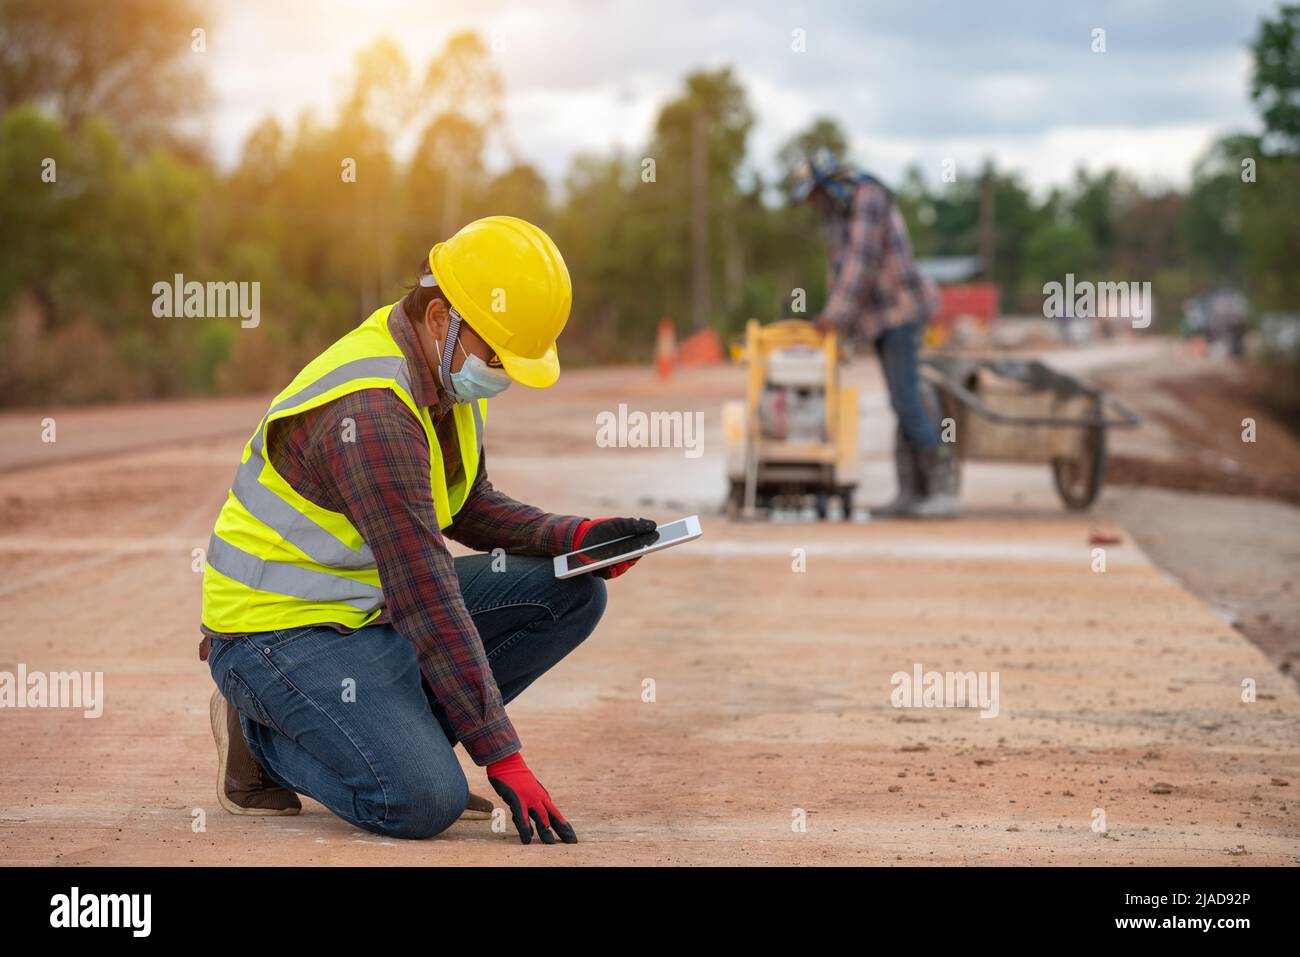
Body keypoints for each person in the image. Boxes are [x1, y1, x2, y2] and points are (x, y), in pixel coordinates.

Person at [199, 215, 655, 845]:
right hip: (277, 633)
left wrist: (573, 537)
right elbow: (424, 591)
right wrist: (502, 755)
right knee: (419, 800)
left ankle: (387, 739)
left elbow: (465, 505)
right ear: (442, 317)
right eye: (498, 355)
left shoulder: (446, 372)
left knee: (571, 592)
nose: (501, 373)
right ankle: (261, 740)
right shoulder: (372, 410)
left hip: (366, 613)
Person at [792, 149, 960, 518]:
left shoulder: (868, 197)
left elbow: (861, 264)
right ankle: (911, 492)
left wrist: (835, 316)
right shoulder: (836, 216)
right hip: (878, 319)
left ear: (829, 184)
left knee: (909, 400)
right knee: (900, 403)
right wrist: (838, 328)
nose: (814, 204)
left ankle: (942, 490)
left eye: (815, 195)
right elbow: (838, 272)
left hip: (900, 311)